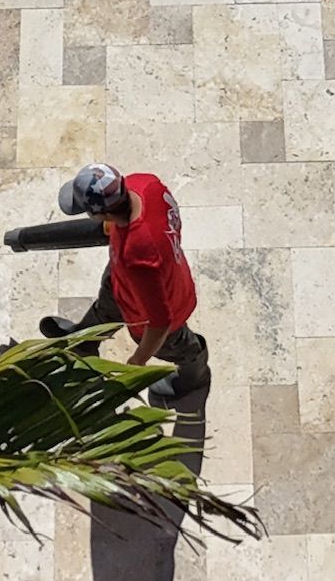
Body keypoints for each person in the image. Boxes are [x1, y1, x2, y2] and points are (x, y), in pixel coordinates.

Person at [41, 161, 209, 406]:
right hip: (124, 280)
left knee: (177, 344)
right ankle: (85, 342)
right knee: (105, 309)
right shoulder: (144, 183)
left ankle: (195, 375)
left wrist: (138, 359)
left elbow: (160, 322)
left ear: (102, 213)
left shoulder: (140, 256)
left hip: (161, 299)